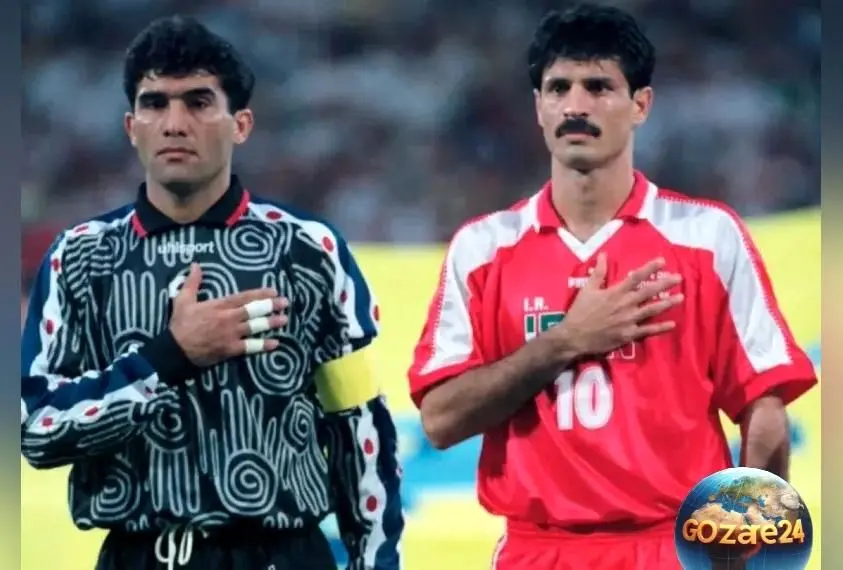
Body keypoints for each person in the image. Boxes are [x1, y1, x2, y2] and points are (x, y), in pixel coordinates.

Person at [406, 4, 817, 570]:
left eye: (598, 87)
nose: (576, 105)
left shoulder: (707, 237)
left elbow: (763, 406)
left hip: (675, 545)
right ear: (539, 107)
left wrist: (752, 546)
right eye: (559, 88)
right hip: (538, 550)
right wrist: (565, 341)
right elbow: (440, 420)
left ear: (641, 104)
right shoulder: (482, 250)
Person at [21, 16, 403, 570]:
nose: (174, 124)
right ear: (131, 126)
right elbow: (36, 429)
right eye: (155, 104)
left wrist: (378, 564)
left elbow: (359, 425)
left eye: (199, 102)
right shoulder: (79, 256)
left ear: (241, 124)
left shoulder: (309, 249)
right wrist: (170, 358)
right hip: (137, 555)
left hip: (281, 554)